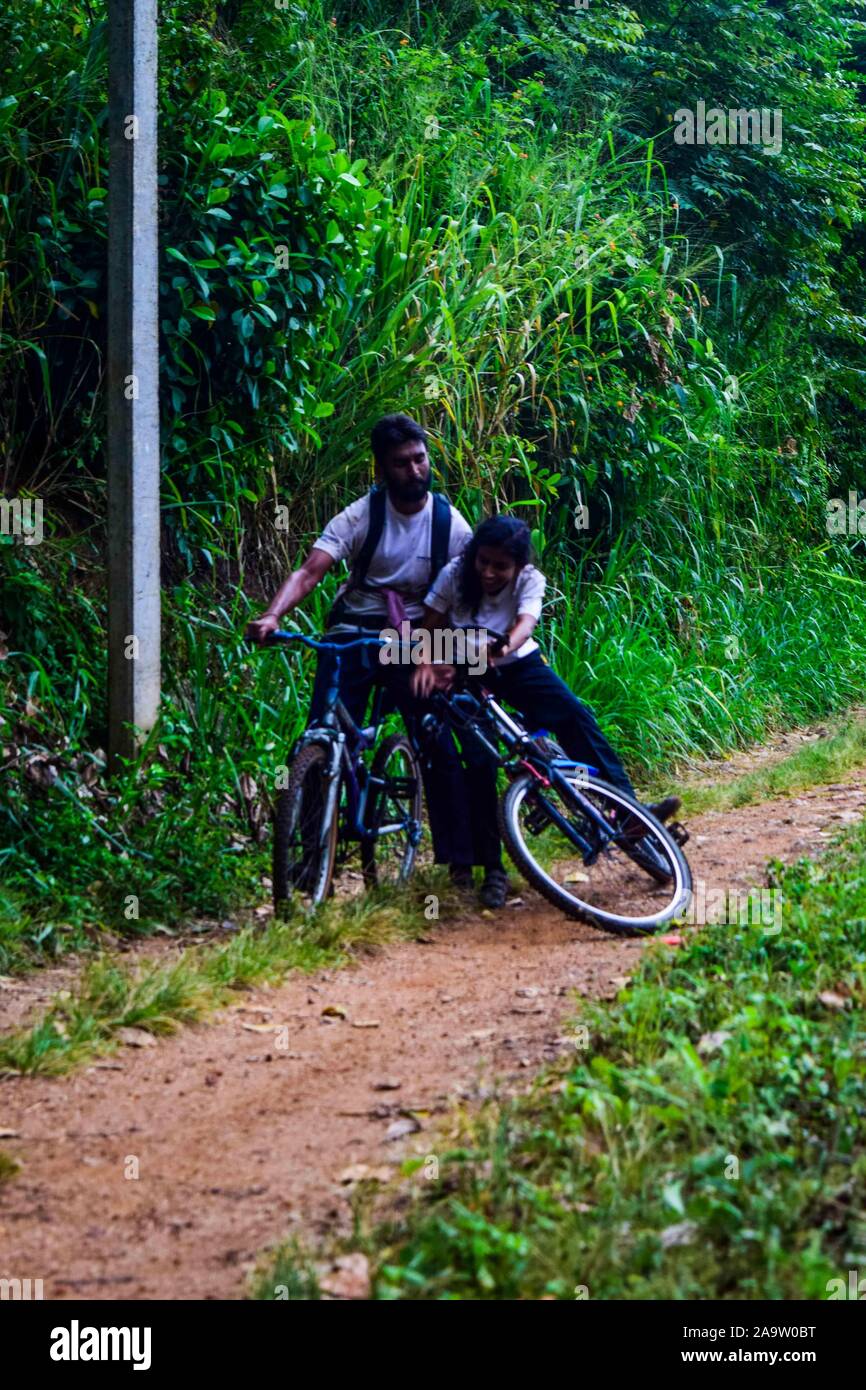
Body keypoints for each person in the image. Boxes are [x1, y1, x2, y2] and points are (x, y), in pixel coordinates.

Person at [411, 514, 681, 908]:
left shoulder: (530, 580)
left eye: (500, 566)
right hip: (465, 675)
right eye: (483, 561)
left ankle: (629, 811)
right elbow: (428, 624)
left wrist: (498, 649)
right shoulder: (456, 574)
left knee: (575, 717)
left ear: (519, 566)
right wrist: (424, 663)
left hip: (516, 664)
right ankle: (491, 871)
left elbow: (525, 624)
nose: (488, 572)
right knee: (478, 761)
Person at [246, 414, 475, 875]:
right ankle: (313, 857)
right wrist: (273, 614)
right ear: (380, 469)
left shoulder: (450, 525)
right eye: (401, 463)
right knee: (323, 729)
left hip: (415, 637)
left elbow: (467, 593)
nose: (414, 471)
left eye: (419, 459)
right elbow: (310, 572)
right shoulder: (360, 516)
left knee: (436, 739)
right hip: (354, 628)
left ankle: (459, 861)